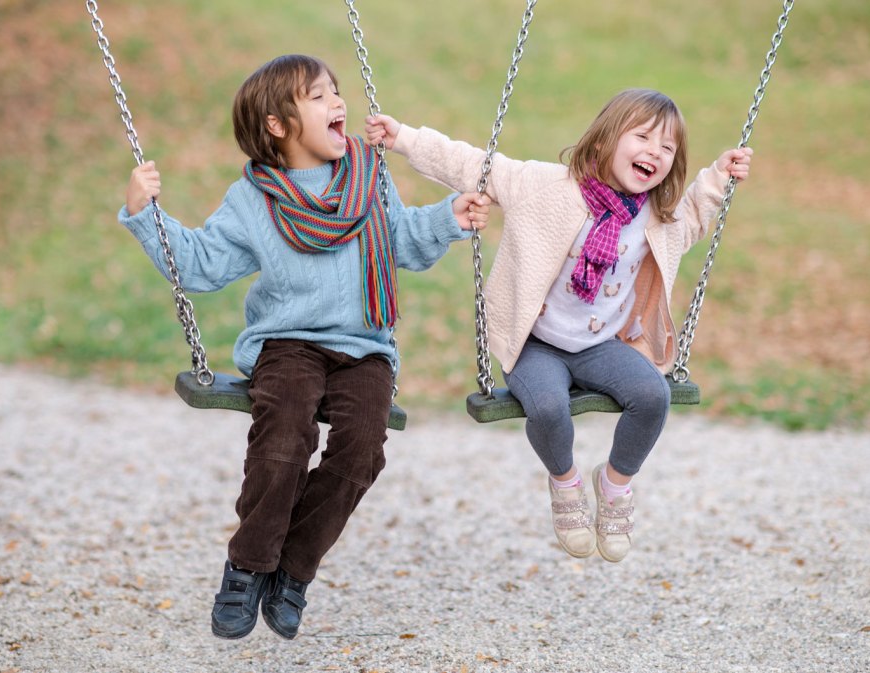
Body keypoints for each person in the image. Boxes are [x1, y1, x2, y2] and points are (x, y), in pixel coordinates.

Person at [119, 54, 490, 640]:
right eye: (318, 97)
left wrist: (449, 217)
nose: (337, 103)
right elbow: (200, 264)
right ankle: (247, 566)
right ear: (277, 124)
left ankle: (293, 568)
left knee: (363, 449)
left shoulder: (369, 177)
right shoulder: (254, 200)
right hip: (287, 344)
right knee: (284, 437)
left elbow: (403, 242)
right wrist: (146, 215)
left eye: (335, 92)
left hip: (365, 344)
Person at [365, 88, 751, 562]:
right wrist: (403, 137)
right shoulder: (545, 186)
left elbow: (692, 217)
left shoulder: (655, 217)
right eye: (644, 136)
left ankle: (614, 487)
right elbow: (476, 165)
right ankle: (566, 484)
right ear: (606, 139)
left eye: (668, 147)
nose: (655, 151)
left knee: (653, 396)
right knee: (548, 409)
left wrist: (718, 175)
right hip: (536, 345)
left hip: (598, 345)